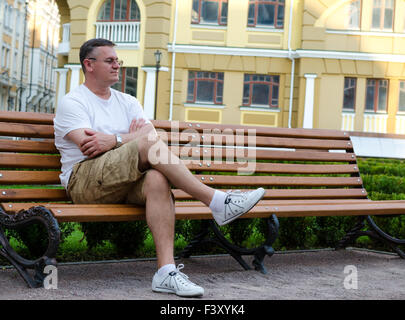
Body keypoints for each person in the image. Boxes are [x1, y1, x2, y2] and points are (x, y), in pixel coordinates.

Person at [54, 38, 265, 297]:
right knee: (148, 146)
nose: (117, 66)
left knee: (156, 177)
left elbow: (151, 137)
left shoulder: (128, 102)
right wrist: (133, 138)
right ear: (89, 64)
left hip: (121, 179)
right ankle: (217, 202)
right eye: (110, 61)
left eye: (118, 61)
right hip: (84, 179)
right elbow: (90, 146)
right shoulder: (73, 102)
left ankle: (166, 272)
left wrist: (116, 139)